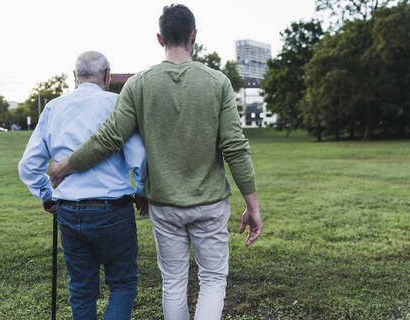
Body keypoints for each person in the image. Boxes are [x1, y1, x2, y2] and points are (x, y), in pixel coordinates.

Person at [48, 4, 263, 320]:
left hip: (165, 204)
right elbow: (235, 148)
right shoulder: (218, 82)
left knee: (174, 282)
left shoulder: (139, 84)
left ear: (160, 38)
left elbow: (110, 138)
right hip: (210, 202)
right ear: (194, 37)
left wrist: (65, 166)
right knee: (213, 280)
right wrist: (252, 206)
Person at [18, 51, 147, 320]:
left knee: (81, 288)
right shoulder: (118, 104)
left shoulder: (54, 107)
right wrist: (142, 190)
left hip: (69, 209)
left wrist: (46, 194)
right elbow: (140, 159)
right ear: (108, 75)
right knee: (122, 284)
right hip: (113, 210)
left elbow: (29, 166)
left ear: (74, 76)